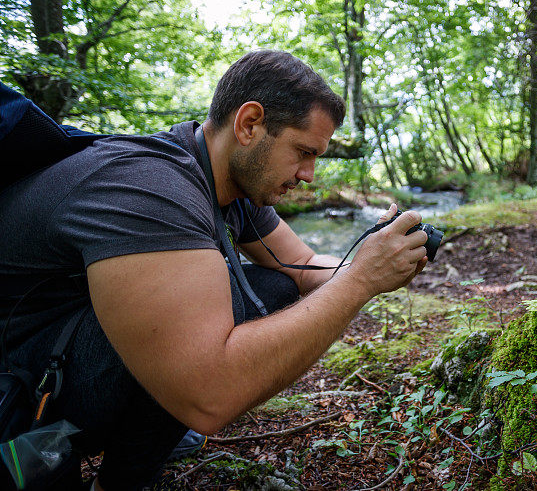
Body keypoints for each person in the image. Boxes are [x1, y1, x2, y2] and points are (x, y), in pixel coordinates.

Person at [0, 50, 428, 490]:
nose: (309, 175)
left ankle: (123, 476)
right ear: (249, 124)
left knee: (270, 287)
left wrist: (373, 258)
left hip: (64, 353)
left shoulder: (232, 183)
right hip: (21, 391)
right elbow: (212, 397)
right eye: (303, 152)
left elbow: (300, 267)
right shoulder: (152, 187)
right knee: (213, 331)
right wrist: (361, 281)